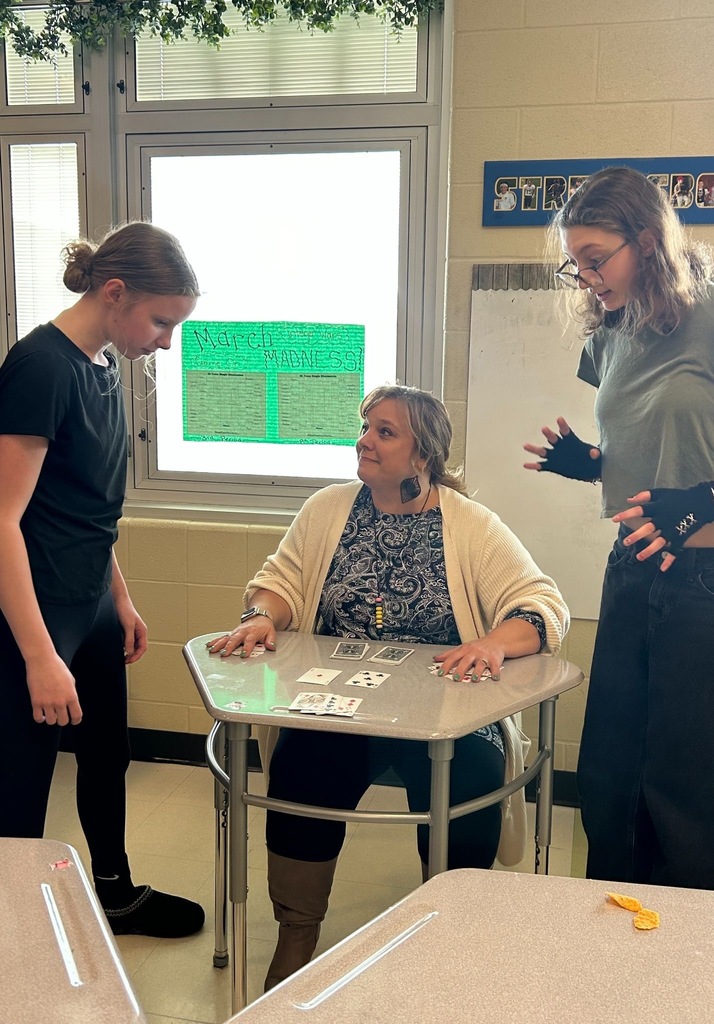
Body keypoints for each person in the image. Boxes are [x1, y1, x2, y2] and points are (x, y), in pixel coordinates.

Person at [210, 384, 569, 989]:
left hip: (446, 709)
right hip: (342, 707)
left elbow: (539, 604)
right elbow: (281, 581)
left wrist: (491, 642)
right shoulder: (327, 509)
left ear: (422, 455)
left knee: (472, 775)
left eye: (385, 432)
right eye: (365, 427)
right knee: (301, 763)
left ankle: (451, 929)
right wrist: (263, 617)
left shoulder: (470, 525)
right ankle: (298, 932)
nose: (364, 442)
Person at [0, 222, 206, 937]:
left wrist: (119, 599)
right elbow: (2, 521)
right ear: (113, 293)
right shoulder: (41, 367)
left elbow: (89, 507)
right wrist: (37, 656)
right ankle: (19, 933)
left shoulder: (100, 365)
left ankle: (114, 894)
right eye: (161, 321)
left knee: (106, 754)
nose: (164, 342)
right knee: (20, 784)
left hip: (88, 605)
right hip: (36, 613)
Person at [523, 166, 714, 890]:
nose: (586, 278)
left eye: (597, 258)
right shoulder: (610, 337)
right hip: (633, 571)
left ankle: (688, 970)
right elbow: (656, 444)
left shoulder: (709, 317)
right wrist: (596, 465)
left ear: (649, 241)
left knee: (687, 790)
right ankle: (610, 950)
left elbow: (693, 474)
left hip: (705, 585)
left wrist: (703, 499)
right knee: (609, 779)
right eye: (577, 263)